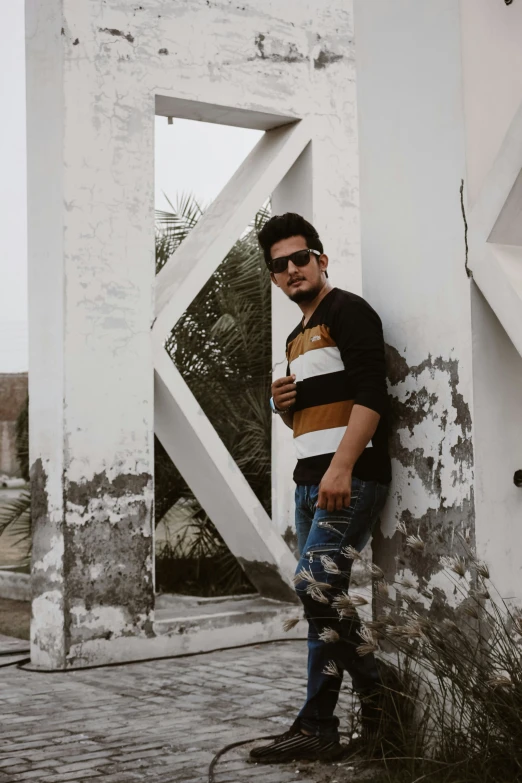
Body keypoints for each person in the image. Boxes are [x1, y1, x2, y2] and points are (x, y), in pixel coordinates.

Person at [250, 213, 392, 763]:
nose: (291, 270)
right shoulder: (294, 336)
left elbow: (371, 396)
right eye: (279, 265)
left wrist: (342, 467)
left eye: (299, 258)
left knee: (313, 588)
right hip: (309, 482)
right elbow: (304, 423)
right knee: (320, 607)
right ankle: (318, 726)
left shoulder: (347, 310)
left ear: (321, 260)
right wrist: (281, 406)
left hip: (346, 480)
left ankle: (382, 694)